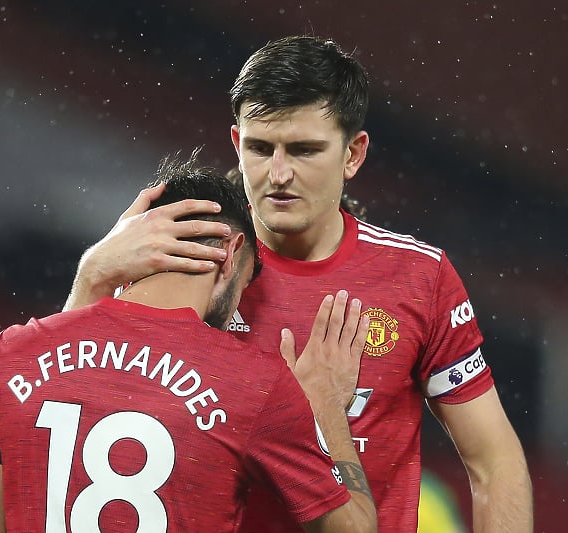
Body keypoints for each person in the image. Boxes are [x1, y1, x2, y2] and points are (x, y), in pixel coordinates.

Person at [63, 36, 533, 532]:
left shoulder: (418, 277)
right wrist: (92, 277)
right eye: (260, 149)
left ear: (353, 154)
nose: (278, 174)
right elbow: (64, 408)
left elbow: (493, 459)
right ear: (235, 144)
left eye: (304, 150)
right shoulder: (188, 256)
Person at [0, 152, 377, 533]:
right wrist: (325, 412)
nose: (236, 316)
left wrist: (91, 276)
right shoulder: (254, 384)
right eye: (246, 285)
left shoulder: (9, 356)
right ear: (231, 253)